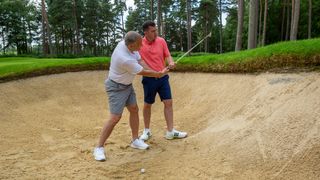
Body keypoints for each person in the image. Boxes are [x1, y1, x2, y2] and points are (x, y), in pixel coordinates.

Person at [93, 31, 169, 161]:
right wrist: (158, 74)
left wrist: (156, 71)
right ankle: (99, 147)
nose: (142, 46)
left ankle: (135, 140)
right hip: (116, 88)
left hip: (127, 85)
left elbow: (140, 61)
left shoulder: (129, 46)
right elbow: (142, 71)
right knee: (115, 117)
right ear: (131, 45)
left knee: (134, 109)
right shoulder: (124, 58)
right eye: (140, 44)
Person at [138, 21, 187, 141]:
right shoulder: (139, 44)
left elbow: (168, 55)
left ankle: (170, 131)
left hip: (163, 78)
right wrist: (154, 72)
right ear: (146, 32)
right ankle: (147, 131)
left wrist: (170, 62)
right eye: (153, 31)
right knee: (147, 105)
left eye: (156, 30)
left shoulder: (161, 41)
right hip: (149, 79)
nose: (156, 33)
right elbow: (140, 62)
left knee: (168, 102)